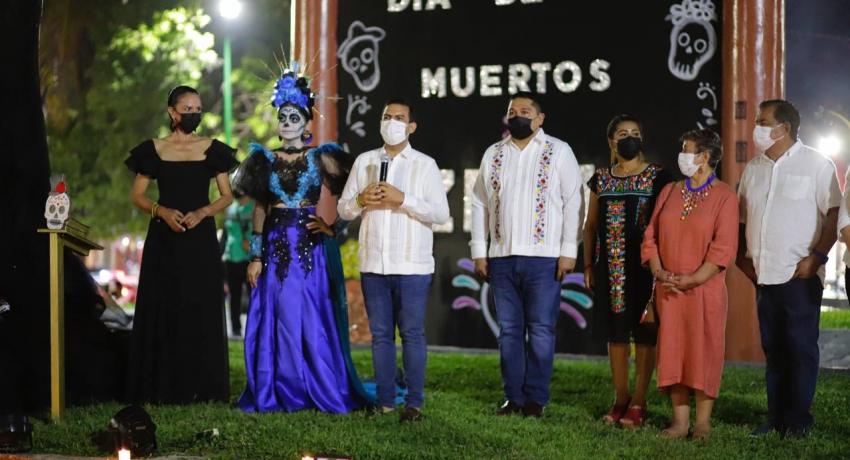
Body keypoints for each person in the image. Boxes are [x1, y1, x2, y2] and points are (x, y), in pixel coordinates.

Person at [234, 64, 371, 414]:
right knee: (276, 312)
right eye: (283, 115)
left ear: (307, 122)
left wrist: (334, 226)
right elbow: (261, 209)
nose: (287, 122)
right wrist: (254, 255)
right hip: (275, 246)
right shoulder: (263, 159)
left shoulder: (323, 157)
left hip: (310, 246)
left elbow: (355, 192)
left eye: (294, 116)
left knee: (311, 312)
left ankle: (317, 384)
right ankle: (278, 386)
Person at [470, 91, 583, 417]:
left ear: (540, 118)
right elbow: (479, 203)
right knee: (509, 332)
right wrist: (480, 251)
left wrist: (567, 251)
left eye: (524, 110)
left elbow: (573, 201)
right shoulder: (494, 153)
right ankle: (513, 398)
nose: (517, 115)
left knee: (542, 330)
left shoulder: (558, 151)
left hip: (544, 258)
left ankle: (536, 399)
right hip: (502, 257)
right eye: (512, 110)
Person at [338, 98, 450, 422]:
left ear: (411, 126)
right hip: (375, 264)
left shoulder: (424, 165)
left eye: (400, 117)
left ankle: (414, 403)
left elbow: (441, 214)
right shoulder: (365, 161)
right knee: (381, 336)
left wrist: (404, 199)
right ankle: (386, 402)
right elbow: (344, 209)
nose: (392, 122)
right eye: (387, 116)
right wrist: (360, 199)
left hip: (412, 265)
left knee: (412, 334)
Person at [125, 85, 237, 403]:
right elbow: (137, 195)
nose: (194, 114)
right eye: (187, 109)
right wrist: (160, 211)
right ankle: (161, 386)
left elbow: (227, 195)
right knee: (164, 305)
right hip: (164, 238)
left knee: (199, 304)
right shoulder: (153, 150)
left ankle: (203, 387)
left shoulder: (213, 149)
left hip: (200, 239)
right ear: (172, 112)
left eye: (197, 109)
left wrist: (203, 212)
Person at [737, 99, 840, 438]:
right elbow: (741, 219)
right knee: (775, 349)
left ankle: (797, 421)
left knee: (800, 349)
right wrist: (744, 260)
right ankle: (776, 417)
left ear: (784, 128)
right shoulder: (753, 168)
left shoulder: (817, 164)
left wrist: (818, 258)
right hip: (763, 275)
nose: (757, 127)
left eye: (763, 121)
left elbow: (833, 216)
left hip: (800, 275)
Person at [641, 129, 737, 440]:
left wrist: (693, 279)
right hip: (668, 290)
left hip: (704, 291)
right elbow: (650, 236)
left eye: (687, 149)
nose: (681, 154)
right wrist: (659, 271)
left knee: (703, 351)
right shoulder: (669, 191)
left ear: (704, 157)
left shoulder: (725, 196)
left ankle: (703, 422)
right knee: (673, 352)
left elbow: (723, 248)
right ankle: (680, 421)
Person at [583, 114, 673, 427]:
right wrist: (587, 265)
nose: (629, 137)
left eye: (635, 132)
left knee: (646, 333)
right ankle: (620, 398)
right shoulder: (601, 178)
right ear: (611, 141)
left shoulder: (658, 177)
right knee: (617, 334)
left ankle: (639, 401)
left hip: (647, 267)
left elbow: (667, 223)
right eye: (623, 133)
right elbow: (590, 226)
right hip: (611, 269)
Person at [221, 189, 254, 337]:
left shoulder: (255, 207)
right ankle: (235, 328)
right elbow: (225, 234)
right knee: (234, 296)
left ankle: (253, 327)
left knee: (253, 295)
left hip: (250, 259)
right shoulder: (230, 208)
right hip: (231, 257)